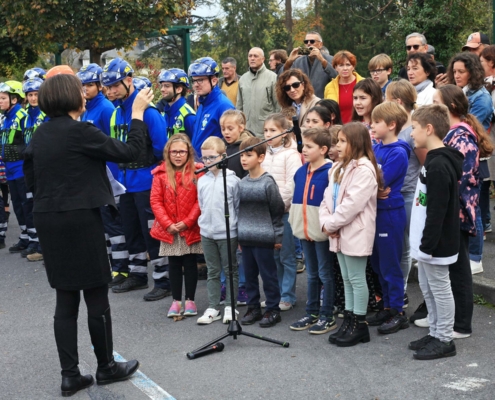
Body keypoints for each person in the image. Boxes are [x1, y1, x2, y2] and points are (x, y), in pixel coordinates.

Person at [23, 74, 148, 396]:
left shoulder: (38, 135)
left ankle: (70, 375)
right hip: (81, 219)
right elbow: (130, 151)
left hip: (48, 219)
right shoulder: (80, 131)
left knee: (65, 299)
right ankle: (105, 367)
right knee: (96, 295)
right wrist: (136, 114)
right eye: (80, 91)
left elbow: (31, 180)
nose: (85, 95)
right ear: (70, 97)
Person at [100, 57, 171, 301]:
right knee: (131, 231)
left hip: (147, 182)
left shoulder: (149, 113)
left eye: (115, 85)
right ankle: (138, 275)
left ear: (129, 80)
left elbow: (161, 149)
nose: (110, 91)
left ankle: (163, 279)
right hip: (125, 183)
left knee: (152, 232)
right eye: (107, 87)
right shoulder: (116, 113)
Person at [433, 84, 493, 337]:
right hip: (453, 212)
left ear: (451, 107)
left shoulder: (461, 137)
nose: (431, 105)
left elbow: (462, 180)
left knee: (459, 269)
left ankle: (462, 325)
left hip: (458, 213)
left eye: (436, 101)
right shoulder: (452, 133)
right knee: (452, 267)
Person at [408, 104, 463, 360]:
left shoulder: (440, 164)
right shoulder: (432, 158)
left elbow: (438, 210)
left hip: (436, 242)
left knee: (440, 289)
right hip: (425, 240)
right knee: (427, 287)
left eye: (414, 128)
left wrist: (428, 244)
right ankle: (434, 330)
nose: (411, 133)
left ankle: (444, 338)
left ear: (428, 129)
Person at [320, 122, 381, 347]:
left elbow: (352, 205)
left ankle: (359, 323)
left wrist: (331, 224)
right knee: (346, 278)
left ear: (356, 143)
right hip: (337, 230)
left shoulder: (364, 170)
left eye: (343, 141)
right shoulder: (338, 168)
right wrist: (326, 222)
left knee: (356, 277)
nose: (338, 145)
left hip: (354, 231)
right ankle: (349, 318)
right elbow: (327, 198)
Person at [76, 63, 130, 287]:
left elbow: (112, 144)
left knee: (114, 225)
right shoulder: (87, 109)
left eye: (89, 84)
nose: (85, 89)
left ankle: (122, 270)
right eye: (82, 85)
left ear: (99, 86)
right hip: (95, 176)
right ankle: (111, 267)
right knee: (104, 226)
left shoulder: (106, 108)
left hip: (111, 176)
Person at [366, 102, 411, 334]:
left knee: (390, 263)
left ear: (392, 125)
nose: (371, 126)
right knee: (377, 263)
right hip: (376, 210)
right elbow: (365, 178)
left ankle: (398, 311)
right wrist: (373, 186)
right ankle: (386, 304)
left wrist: (374, 185)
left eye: (376, 122)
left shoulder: (398, 151)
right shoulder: (376, 148)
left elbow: (379, 180)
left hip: (390, 213)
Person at [149, 134, 203, 318]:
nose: (178, 155)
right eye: (174, 152)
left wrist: (187, 222)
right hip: (169, 228)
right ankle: (175, 301)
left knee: (189, 263)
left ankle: (190, 300)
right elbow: (155, 201)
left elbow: (199, 201)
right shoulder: (160, 174)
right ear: (168, 153)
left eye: (182, 151)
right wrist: (167, 224)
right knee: (173, 264)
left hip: (190, 227)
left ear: (189, 153)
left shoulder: (197, 172)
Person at [385, 79, 427, 312]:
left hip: (408, 193)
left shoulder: (413, 130)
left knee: (405, 246)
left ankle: (400, 292)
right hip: (394, 194)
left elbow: (424, 164)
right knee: (397, 246)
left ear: (398, 102)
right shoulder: (397, 127)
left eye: (387, 98)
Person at [289, 128, 336, 334]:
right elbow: (295, 199)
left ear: (323, 149)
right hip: (305, 231)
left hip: (322, 232)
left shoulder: (331, 171)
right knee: (311, 274)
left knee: (326, 274)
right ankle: (312, 312)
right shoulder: (301, 171)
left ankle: (327, 315)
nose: (304, 149)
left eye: (309, 146)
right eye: (303, 145)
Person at [238, 137, 285, 328]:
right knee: (249, 276)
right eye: (242, 155)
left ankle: (273, 309)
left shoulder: (267, 183)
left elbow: (277, 209)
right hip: (246, 238)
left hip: (264, 238)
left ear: (261, 157)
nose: (243, 159)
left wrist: (277, 236)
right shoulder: (241, 183)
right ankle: (253, 307)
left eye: (248, 155)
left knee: (268, 276)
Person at [196, 136, 241, 324]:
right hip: (207, 233)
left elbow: (237, 206)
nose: (207, 162)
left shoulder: (232, 181)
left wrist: (235, 230)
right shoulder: (202, 181)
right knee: (213, 271)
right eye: (204, 158)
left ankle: (231, 305)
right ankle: (213, 306)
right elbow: (202, 204)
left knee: (230, 270)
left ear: (223, 156)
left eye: (212, 158)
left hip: (227, 233)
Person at [261, 114, 302, 311]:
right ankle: (275, 293)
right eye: (266, 130)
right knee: (273, 256)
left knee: (286, 255)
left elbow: (290, 185)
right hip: (266, 214)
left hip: (284, 212)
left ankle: (288, 295)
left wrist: (277, 206)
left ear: (284, 133)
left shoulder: (291, 155)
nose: (268, 134)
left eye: (273, 131)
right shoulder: (264, 154)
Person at [0, 81, 34, 254]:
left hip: (21, 168)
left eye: (3, 98)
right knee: (17, 205)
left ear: (14, 99)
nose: (0, 101)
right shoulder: (4, 118)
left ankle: (33, 238)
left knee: (26, 203)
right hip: (10, 169)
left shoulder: (22, 116)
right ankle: (24, 235)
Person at [20, 77, 47, 262]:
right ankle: (37, 243)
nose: (33, 98)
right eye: (30, 95)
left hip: (44, 166)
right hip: (31, 166)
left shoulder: (46, 115)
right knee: (31, 206)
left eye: (36, 94)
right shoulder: (26, 117)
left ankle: (45, 247)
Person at [189, 57, 235, 157]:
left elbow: (232, 142)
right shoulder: (203, 103)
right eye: (194, 81)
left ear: (214, 81)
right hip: (198, 165)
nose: (196, 85)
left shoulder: (224, 105)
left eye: (200, 80)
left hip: (212, 165)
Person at [237, 47, 280, 138]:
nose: (252, 58)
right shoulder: (243, 79)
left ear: (263, 59)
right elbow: (239, 107)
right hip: (247, 134)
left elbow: (278, 106)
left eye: (255, 56)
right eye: (250, 56)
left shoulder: (273, 78)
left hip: (266, 133)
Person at [284, 31, 337, 98]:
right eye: (306, 42)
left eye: (312, 41)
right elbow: (284, 79)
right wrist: (289, 62)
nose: (309, 44)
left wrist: (322, 60)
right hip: (303, 102)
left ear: (320, 44)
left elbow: (336, 77)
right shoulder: (298, 61)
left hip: (323, 103)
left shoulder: (331, 59)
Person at [323, 50, 364, 123]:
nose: (345, 68)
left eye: (348, 65)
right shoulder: (329, 87)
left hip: (360, 127)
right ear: (335, 67)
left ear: (353, 66)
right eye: (341, 65)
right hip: (338, 129)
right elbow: (326, 111)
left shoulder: (363, 83)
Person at [480, 45, 495, 235]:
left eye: (482, 61)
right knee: (483, 181)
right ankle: (484, 221)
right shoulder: (482, 83)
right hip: (487, 139)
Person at [157, 68, 196, 139]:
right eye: (162, 86)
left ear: (179, 89)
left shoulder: (188, 116)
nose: (162, 89)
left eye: (167, 86)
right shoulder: (164, 113)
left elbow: (195, 147)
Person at [220, 109, 255, 178]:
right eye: (223, 129)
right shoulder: (220, 145)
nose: (226, 132)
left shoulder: (249, 146)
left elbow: (250, 171)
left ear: (241, 128)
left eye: (230, 129)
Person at [351, 78, 383, 144]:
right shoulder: (353, 126)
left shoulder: (382, 127)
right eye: (355, 98)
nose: (357, 102)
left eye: (363, 98)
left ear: (375, 99)